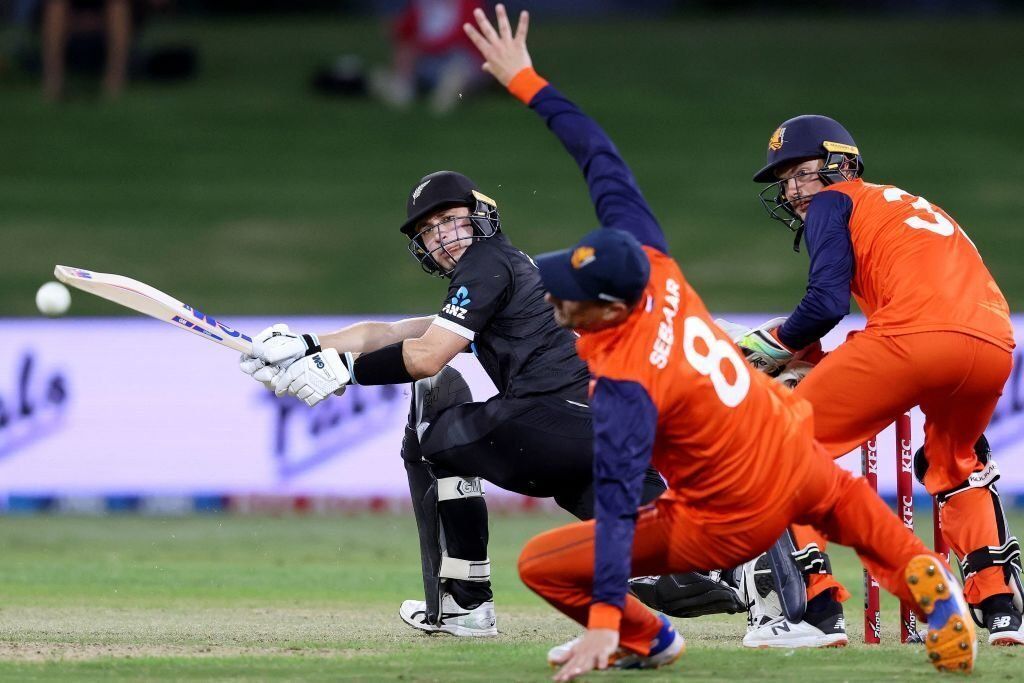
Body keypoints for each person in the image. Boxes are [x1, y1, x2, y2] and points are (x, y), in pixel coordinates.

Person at [461, 6, 977, 679]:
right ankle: (934, 595)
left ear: (611, 307)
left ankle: (649, 638)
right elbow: (600, 156)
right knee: (858, 515)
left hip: (733, 513)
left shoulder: (626, 377)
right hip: (791, 445)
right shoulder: (654, 260)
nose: (552, 302)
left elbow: (617, 509)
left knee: (541, 564)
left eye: (566, 297)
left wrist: (605, 622)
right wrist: (527, 80)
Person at [239, 153, 735, 636]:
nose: (441, 238)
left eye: (450, 221)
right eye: (428, 232)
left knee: (433, 427)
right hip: (611, 430)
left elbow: (429, 356)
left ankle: (464, 604)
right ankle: (754, 581)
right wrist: (305, 344)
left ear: (480, 217)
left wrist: (345, 372)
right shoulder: (505, 267)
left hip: (552, 420)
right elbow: (393, 332)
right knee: (669, 557)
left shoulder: (486, 264)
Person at [734, 113, 1022, 647]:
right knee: (954, 461)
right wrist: (803, 348)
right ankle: (1003, 610)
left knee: (777, 445)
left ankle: (812, 610)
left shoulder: (832, 202)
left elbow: (824, 305)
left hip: (913, 338)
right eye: (785, 181)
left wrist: (770, 346)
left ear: (839, 166)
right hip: (992, 343)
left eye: (801, 172)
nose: (794, 191)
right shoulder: (911, 204)